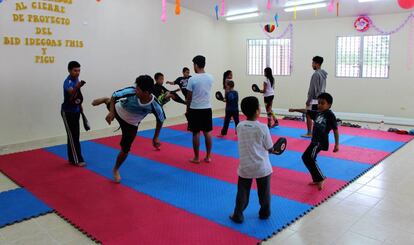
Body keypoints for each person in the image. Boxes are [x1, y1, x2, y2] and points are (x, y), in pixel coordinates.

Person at [91, 75, 166, 183]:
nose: (136, 90)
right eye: (136, 87)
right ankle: (105, 100)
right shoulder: (131, 91)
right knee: (110, 102)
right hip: (118, 111)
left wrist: (156, 137)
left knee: (125, 149)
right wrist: (111, 112)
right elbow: (114, 95)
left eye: (138, 89)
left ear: (146, 92)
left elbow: (160, 120)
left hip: (131, 124)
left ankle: (116, 169)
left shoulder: (155, 105)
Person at [230, 96, 278, 224]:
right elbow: (269, 147)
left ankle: (238, 214)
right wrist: (275, 150)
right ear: (257, 111)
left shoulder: (239, 126)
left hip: (245, 166)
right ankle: (265, 213)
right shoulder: (263, 127)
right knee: (264, 193)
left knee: (242, 192)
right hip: (262, 167)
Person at [289, 92, 339, 190]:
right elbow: (307, 111)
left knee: (308, 157)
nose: (319, 105)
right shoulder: (318, 113)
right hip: (314, 141)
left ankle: (320, 178)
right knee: (308, 158)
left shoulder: (330, 115)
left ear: (329, 105)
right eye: (319, 103)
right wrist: (295, 109)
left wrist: (337, 144)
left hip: (320, 142)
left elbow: (335, 130)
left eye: (322, 103)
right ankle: (317, 178)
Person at [186, 55, 214, 164]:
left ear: (196, 65)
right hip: (207, 108)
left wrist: (187, 109)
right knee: (207, 132)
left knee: (196, 133)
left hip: (195, 109)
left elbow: (189, 97)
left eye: (193, 64)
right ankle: (208, 156)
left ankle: (196, 158)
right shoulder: (210, 77)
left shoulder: (192, 79)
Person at [61, 61, 86, 167]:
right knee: (73, 136)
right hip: (67, 112)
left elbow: (77, 97)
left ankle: (72, 158)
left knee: (75, 136)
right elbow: (72, 92)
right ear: (69, 70)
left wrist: (80, 107)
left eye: (79, 70)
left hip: (76, 111)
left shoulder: (76, 80)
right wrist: (78, 86)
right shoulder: (68, 82)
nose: (77, 72)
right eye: (75, 70)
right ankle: (77, 159)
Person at [302, 56, 327, 138]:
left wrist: (308, 100)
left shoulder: (316, 74)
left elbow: (313, 89)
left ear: (317, 64)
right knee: (318, 116)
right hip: (322, 98)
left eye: (313, 63)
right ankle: (318, 132)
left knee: (309, 114)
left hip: (315, 99)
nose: (312, 65)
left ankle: (309, 133)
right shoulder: (323, 74)